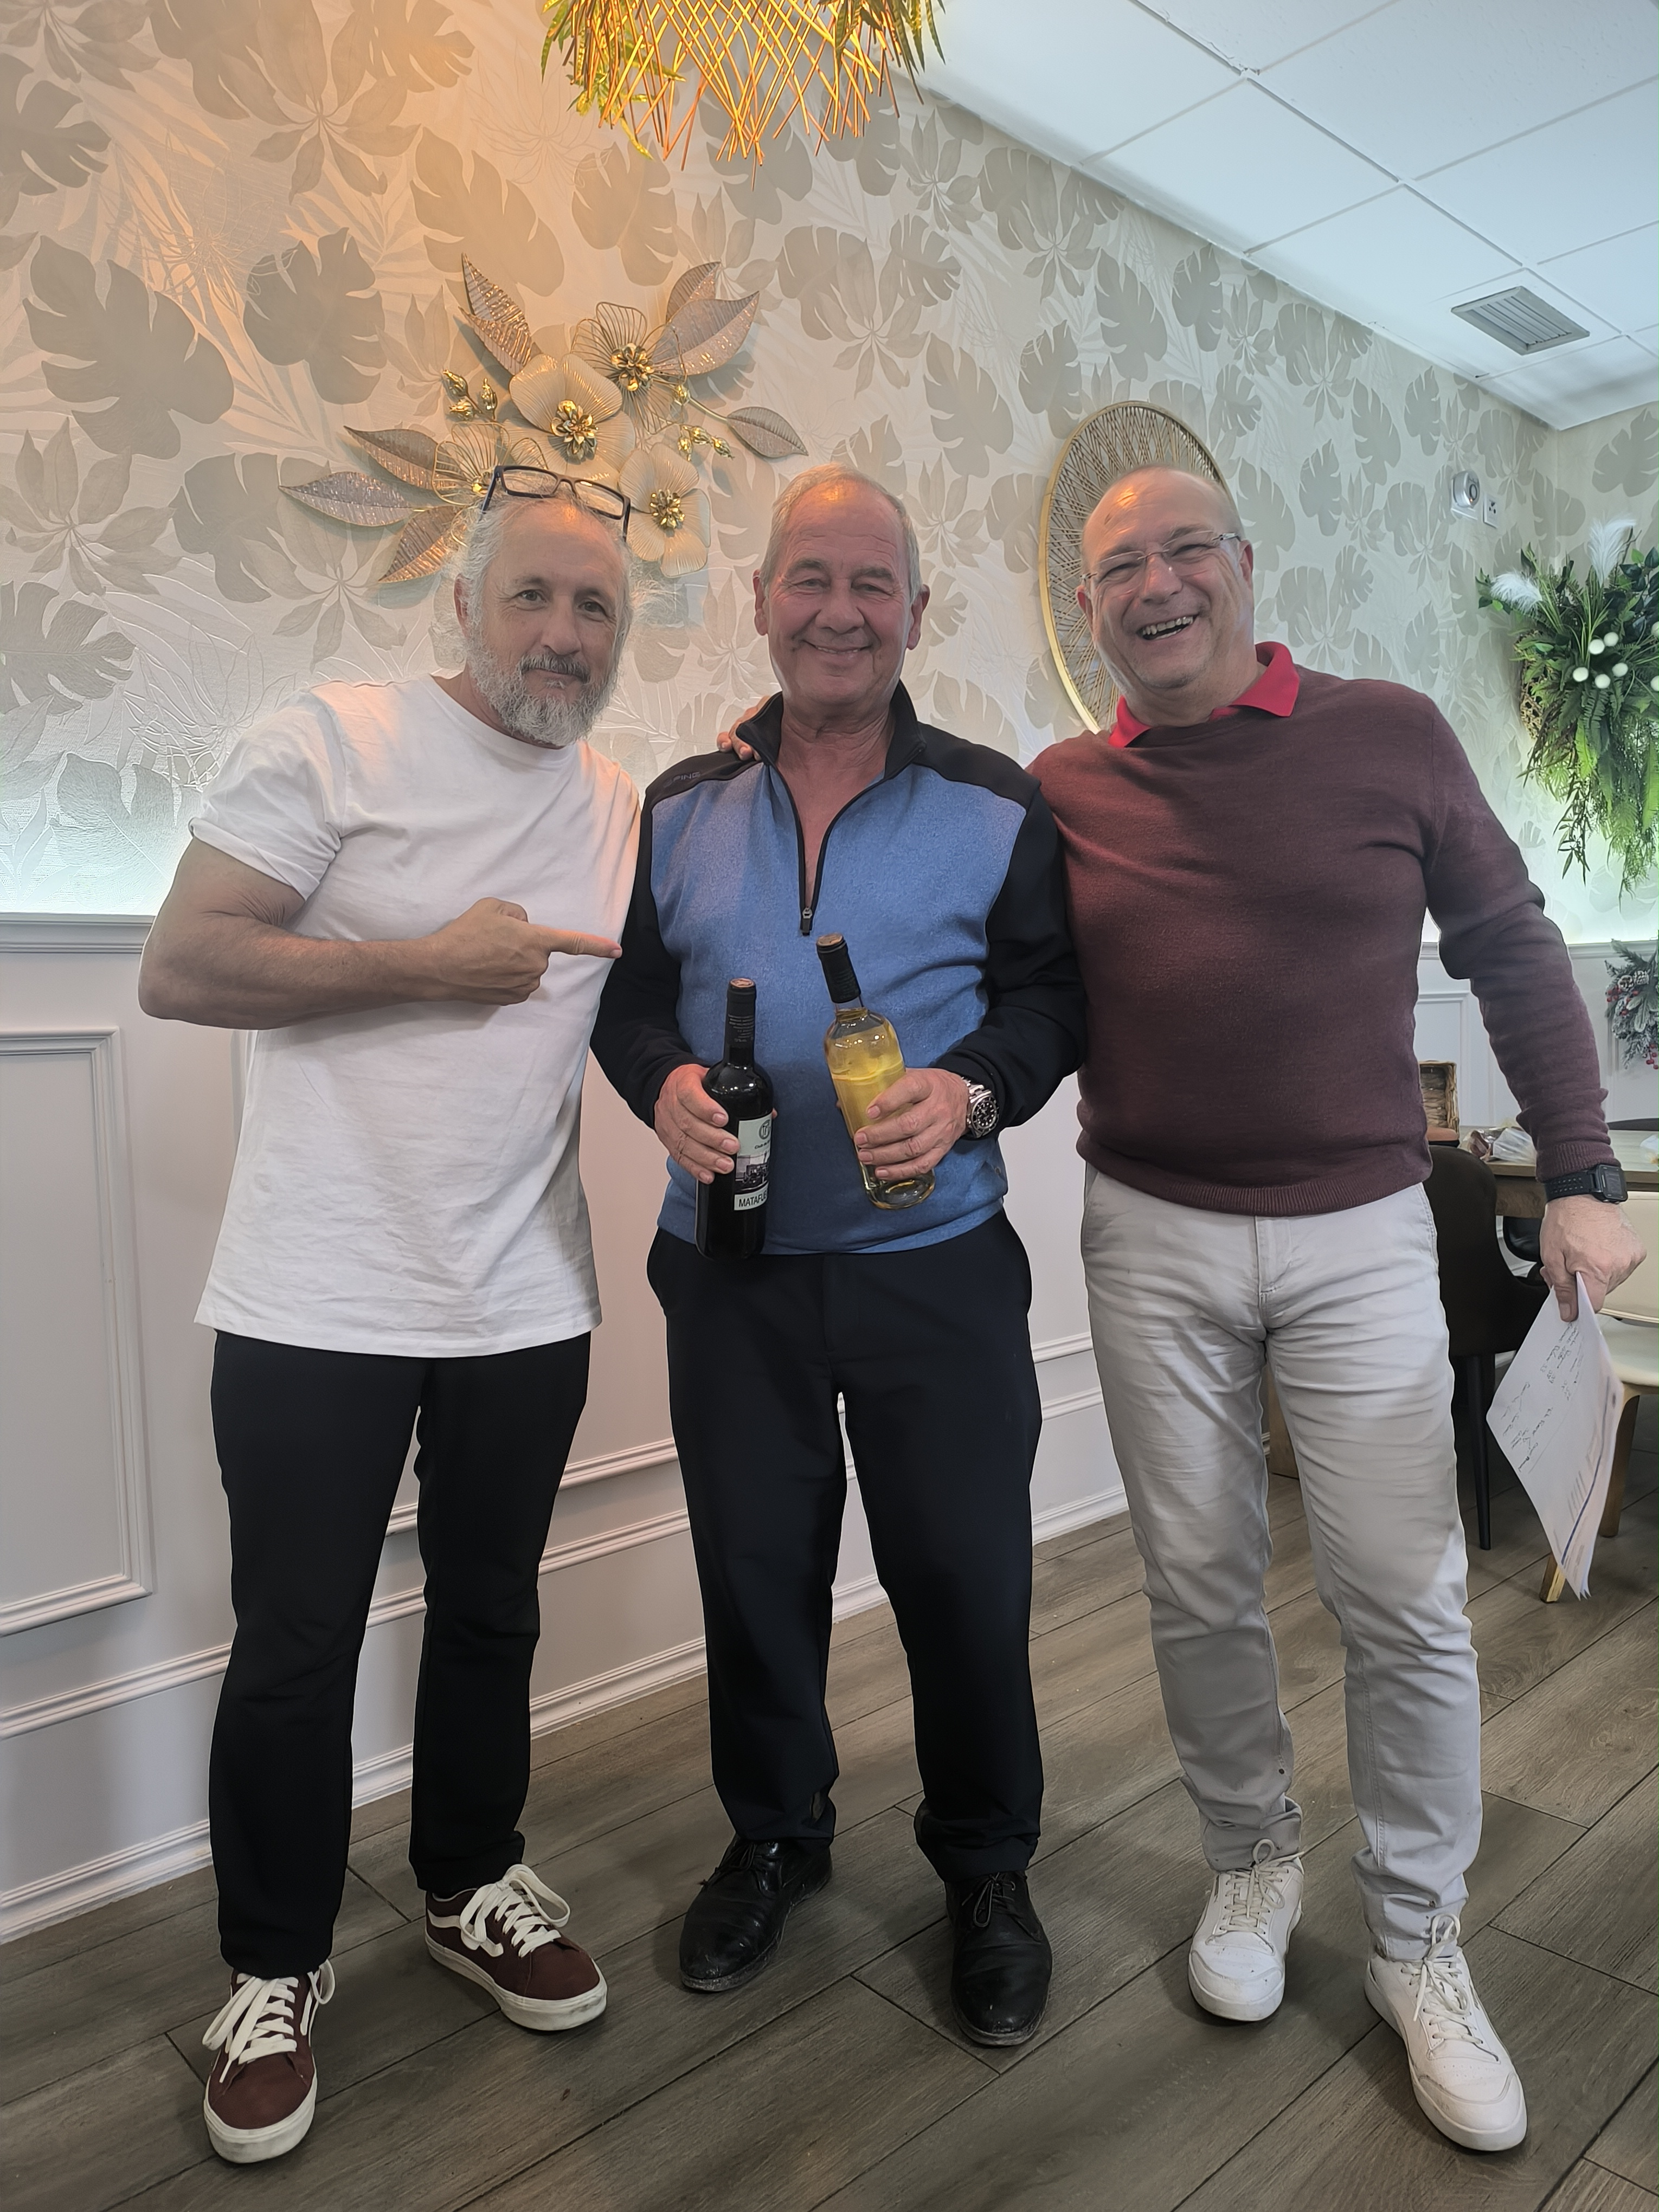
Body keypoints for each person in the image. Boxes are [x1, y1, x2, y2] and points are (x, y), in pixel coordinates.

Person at [1031, 463, 1644, 2153]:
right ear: (1088, 608)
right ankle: (1249, 1860)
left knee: (1405, 1599)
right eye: (1118, 567)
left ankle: (1416, 1936)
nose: (1155, 585)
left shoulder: (1389, 733)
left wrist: (1581, 1171)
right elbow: (1016, 990)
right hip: (1148, 1231)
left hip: (1361, 1229)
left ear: (1243, 564)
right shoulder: (1063, 789)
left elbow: (1510, 942)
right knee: (1195, 1582)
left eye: (1184, 551)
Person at [138, 469, 642, 2166]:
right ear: (463, 603)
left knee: (493, 1610)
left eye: (595, 607)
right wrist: (424, 962)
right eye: (533, 596)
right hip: (315, 1292)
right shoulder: (332, 739)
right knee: (296, 1642)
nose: (562, 634)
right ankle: (272, 1966)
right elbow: (183, 965)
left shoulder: (617, 801)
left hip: (527, 1293)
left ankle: (468, 1881)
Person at [591, 463, 1084, 2046]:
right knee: (754, 1573)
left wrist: (973, 1088)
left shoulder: (997, 805)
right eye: (810, 577)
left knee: (964, 1575)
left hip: (934, 1265)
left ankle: (986, 1870)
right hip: (729, 1269)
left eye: (873, 583)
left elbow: (1050, 1003)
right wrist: (661, 1082)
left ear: (916, 613)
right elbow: (629, 1003)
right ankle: (775, 1837)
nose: (840, 611)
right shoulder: (677, 806)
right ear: (760, 602)